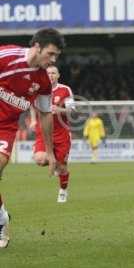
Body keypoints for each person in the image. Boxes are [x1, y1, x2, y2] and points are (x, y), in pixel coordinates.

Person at [0, 28, 65, 248]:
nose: (53, 59)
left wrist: (49, 151)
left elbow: (46, 114)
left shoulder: (43, 81)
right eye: (51, 54)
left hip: (5, 127)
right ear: (37, 47)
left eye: (56, 56)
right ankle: (2, 219)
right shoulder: (7, 57)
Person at [30, 65, 75, 203]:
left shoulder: (65, 89)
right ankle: (52, 161)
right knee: (40, 160)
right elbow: (32, 104)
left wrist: (59, 110)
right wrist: (32, 120)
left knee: (62, 168)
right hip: (43, 131)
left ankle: (63, 190)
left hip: (61, 133)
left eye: (53, 73)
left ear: (58, 75)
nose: (50, 75)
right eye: (48, 73)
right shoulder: (38, 89)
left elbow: (72, 110)